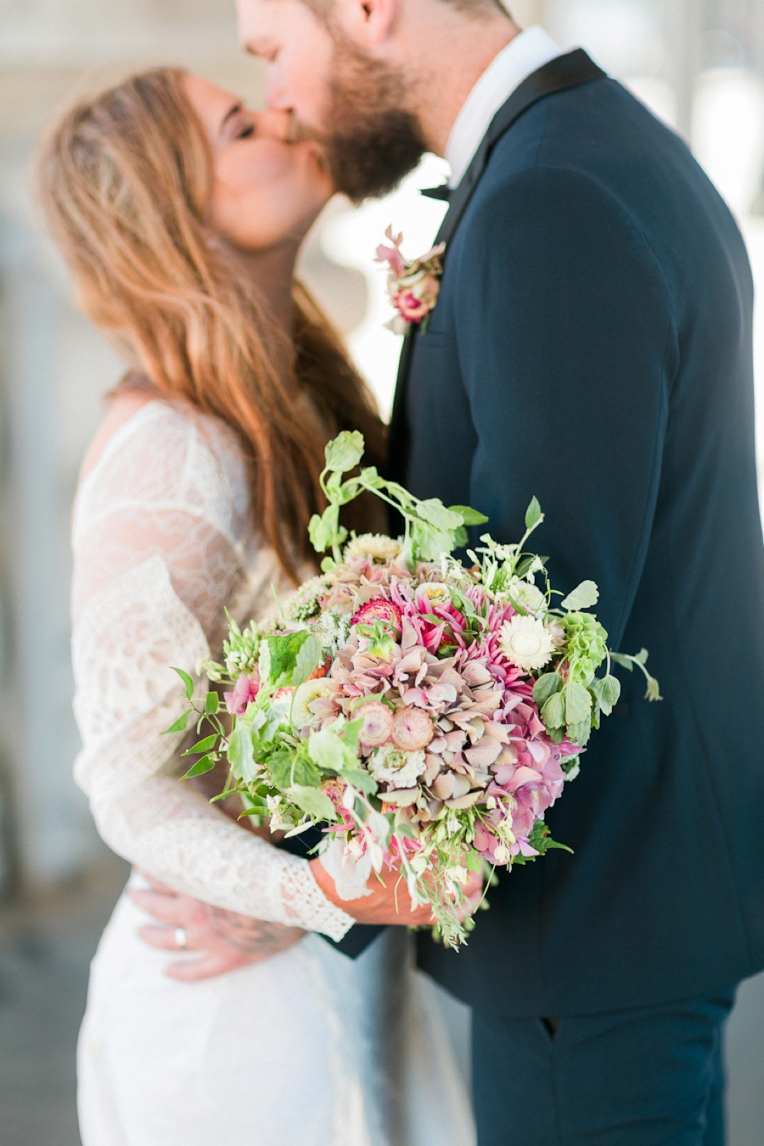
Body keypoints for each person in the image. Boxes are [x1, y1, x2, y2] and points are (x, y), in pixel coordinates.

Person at [152, 1, 764, 1143]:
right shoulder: (576, 153)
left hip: (584, 937)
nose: (278, 98)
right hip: (625, 924)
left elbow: (525, 623)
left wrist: (303, 883)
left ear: (370, 11)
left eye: (273, 52)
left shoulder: (548, 199)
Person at [38, 68, 475, 1146]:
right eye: (239, 127)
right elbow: (129, 787)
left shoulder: (300, 393)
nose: (284, 114)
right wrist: (310, 892)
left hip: (335, 974)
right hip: (227, 1013)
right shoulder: (171, 449)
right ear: (170, 211)